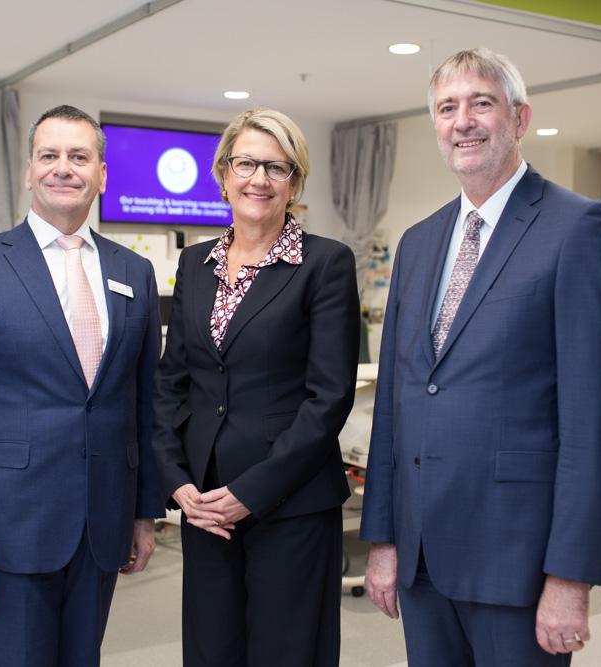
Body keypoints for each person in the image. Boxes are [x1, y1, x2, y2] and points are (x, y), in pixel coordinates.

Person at [359, 48, 601, 665]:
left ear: (519, 118)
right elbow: (396, 408)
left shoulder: (579, 229)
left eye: (481, 103)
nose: (462, 121)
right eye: (447, 108)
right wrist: (382, 539)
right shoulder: (418, 243)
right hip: (422, 555)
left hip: (518, 560)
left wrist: (571, 576)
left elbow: (597, 422)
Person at [0, 105, 163, 666]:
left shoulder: (134, 271)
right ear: (29, 171)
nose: (64, 168)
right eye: (49, 155)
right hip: (9, 529)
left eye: (79, 156)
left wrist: (143, 513)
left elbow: (144, 402)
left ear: (102, 174)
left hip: (103, 522)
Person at [154, 108, 359, 666]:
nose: (259, 179)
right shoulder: (195, 263)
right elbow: (172, 381)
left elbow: (328, 397)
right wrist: (178, 483)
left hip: (290, 504)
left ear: (295, 181)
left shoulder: (325, 263)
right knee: (211, 651)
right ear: (224, 173)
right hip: (205, 504)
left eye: (277, 167)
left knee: (286, 653)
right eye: (246, 163)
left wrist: (252, 492)